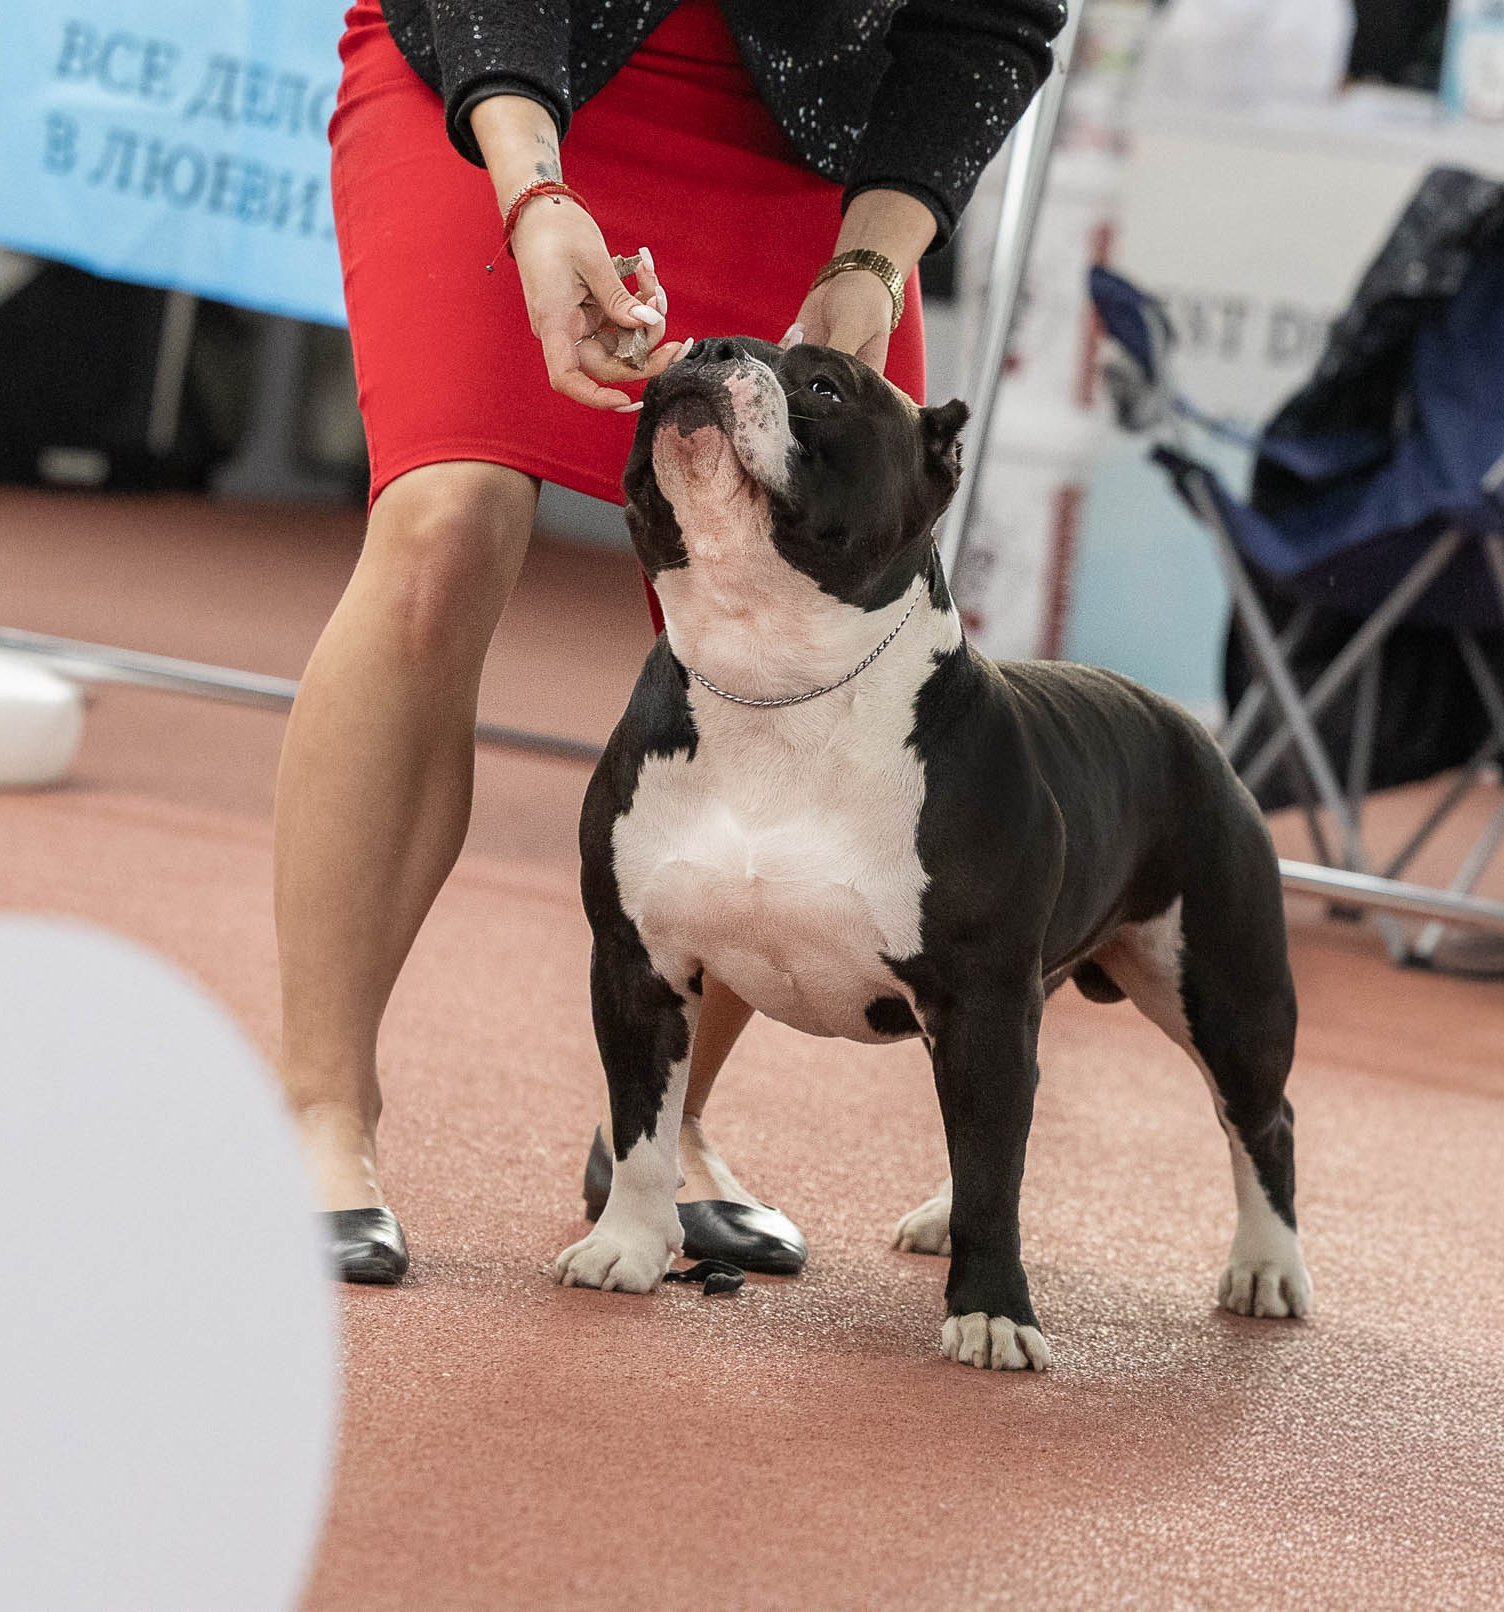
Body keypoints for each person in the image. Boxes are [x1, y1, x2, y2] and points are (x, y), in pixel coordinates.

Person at [298, 0, 1065, 1284]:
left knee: (792, 612)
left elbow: (988, 16)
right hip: (502, 71)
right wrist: (533, 192)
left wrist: (872, 261)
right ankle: (320, 1108)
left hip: (808, 136)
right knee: (445, 527)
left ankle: (652, 1128)